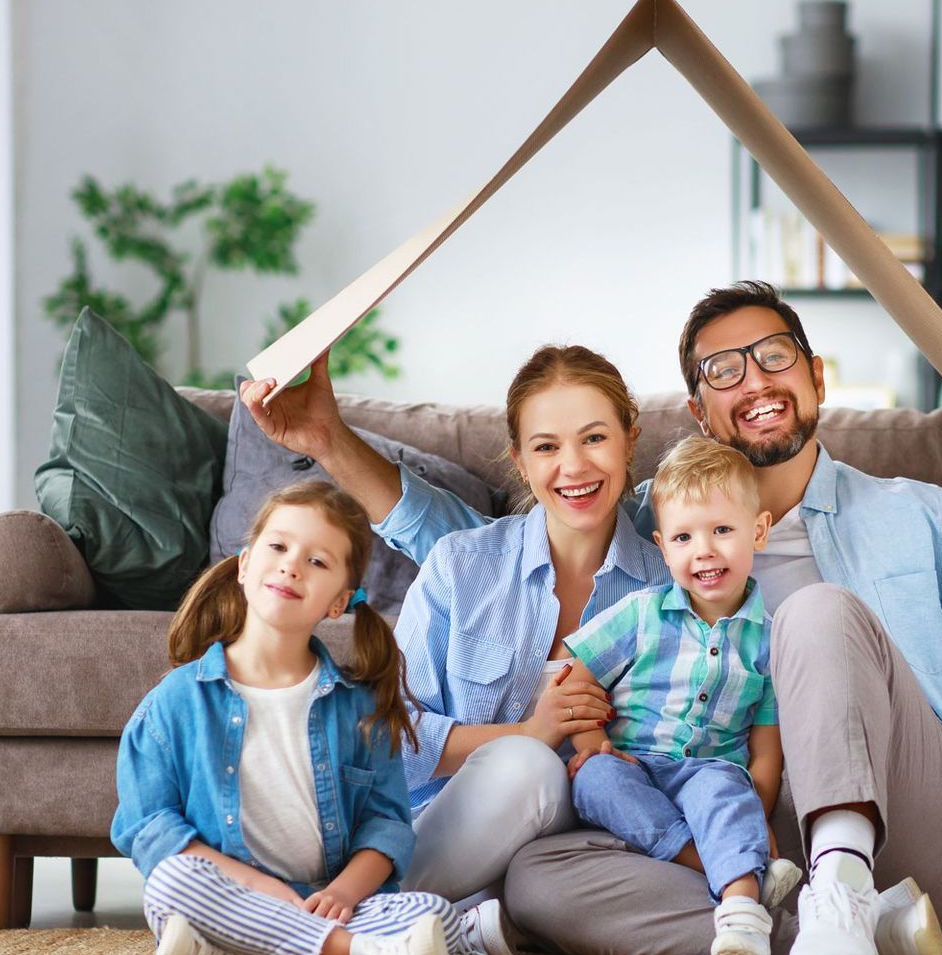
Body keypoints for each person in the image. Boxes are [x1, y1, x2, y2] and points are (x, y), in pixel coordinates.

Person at [505, 280, 942, 955]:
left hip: (909, 817)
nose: (755, 380)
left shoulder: (909, 512)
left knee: (816, 612)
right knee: (536, 879)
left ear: (815, 377)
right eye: (724, 370)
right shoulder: (651, 528)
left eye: (775, 356)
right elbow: (512, 546)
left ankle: (845, 885)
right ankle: (848, 931)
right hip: (739, 835)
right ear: (699, 411)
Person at [240, 345, 669, 904]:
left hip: (578, 849)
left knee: (546, 813)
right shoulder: (462, 564)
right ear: (519, 460)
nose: (574, 466)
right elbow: (393, 737)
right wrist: (526, 734)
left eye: (594, 438)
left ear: (629, 438)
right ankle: (373, 910)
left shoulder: (667, 588)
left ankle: (386, 917)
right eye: (546, 447)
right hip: (446, 830)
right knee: (527, 765)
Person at [111, 481, 516, 955]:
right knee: (171, 884)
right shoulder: (175, 702)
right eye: (278, 547)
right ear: (244, 564)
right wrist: (257, 886)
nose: (291, 566)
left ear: (338, 602)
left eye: (318, 562)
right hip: (226, 896)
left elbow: (385, 826)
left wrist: (345, 893)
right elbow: (148, 827)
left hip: (324, 899)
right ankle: (367, 954)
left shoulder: (359, 708)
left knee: (424, 908)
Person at [563, 436, 802, 955]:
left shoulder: (769, 638)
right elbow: (576, 679)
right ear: (663, 547)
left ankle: (741, 911)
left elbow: (767, 745)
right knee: (595, 781)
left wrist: (752, 803)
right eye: (684, 537)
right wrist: (592, 747)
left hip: (710, 771)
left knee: (726, 790)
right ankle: (729, 867)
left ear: (758, 531)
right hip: (635, 765)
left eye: (722, 530)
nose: (705, 550)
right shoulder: (641, 613)